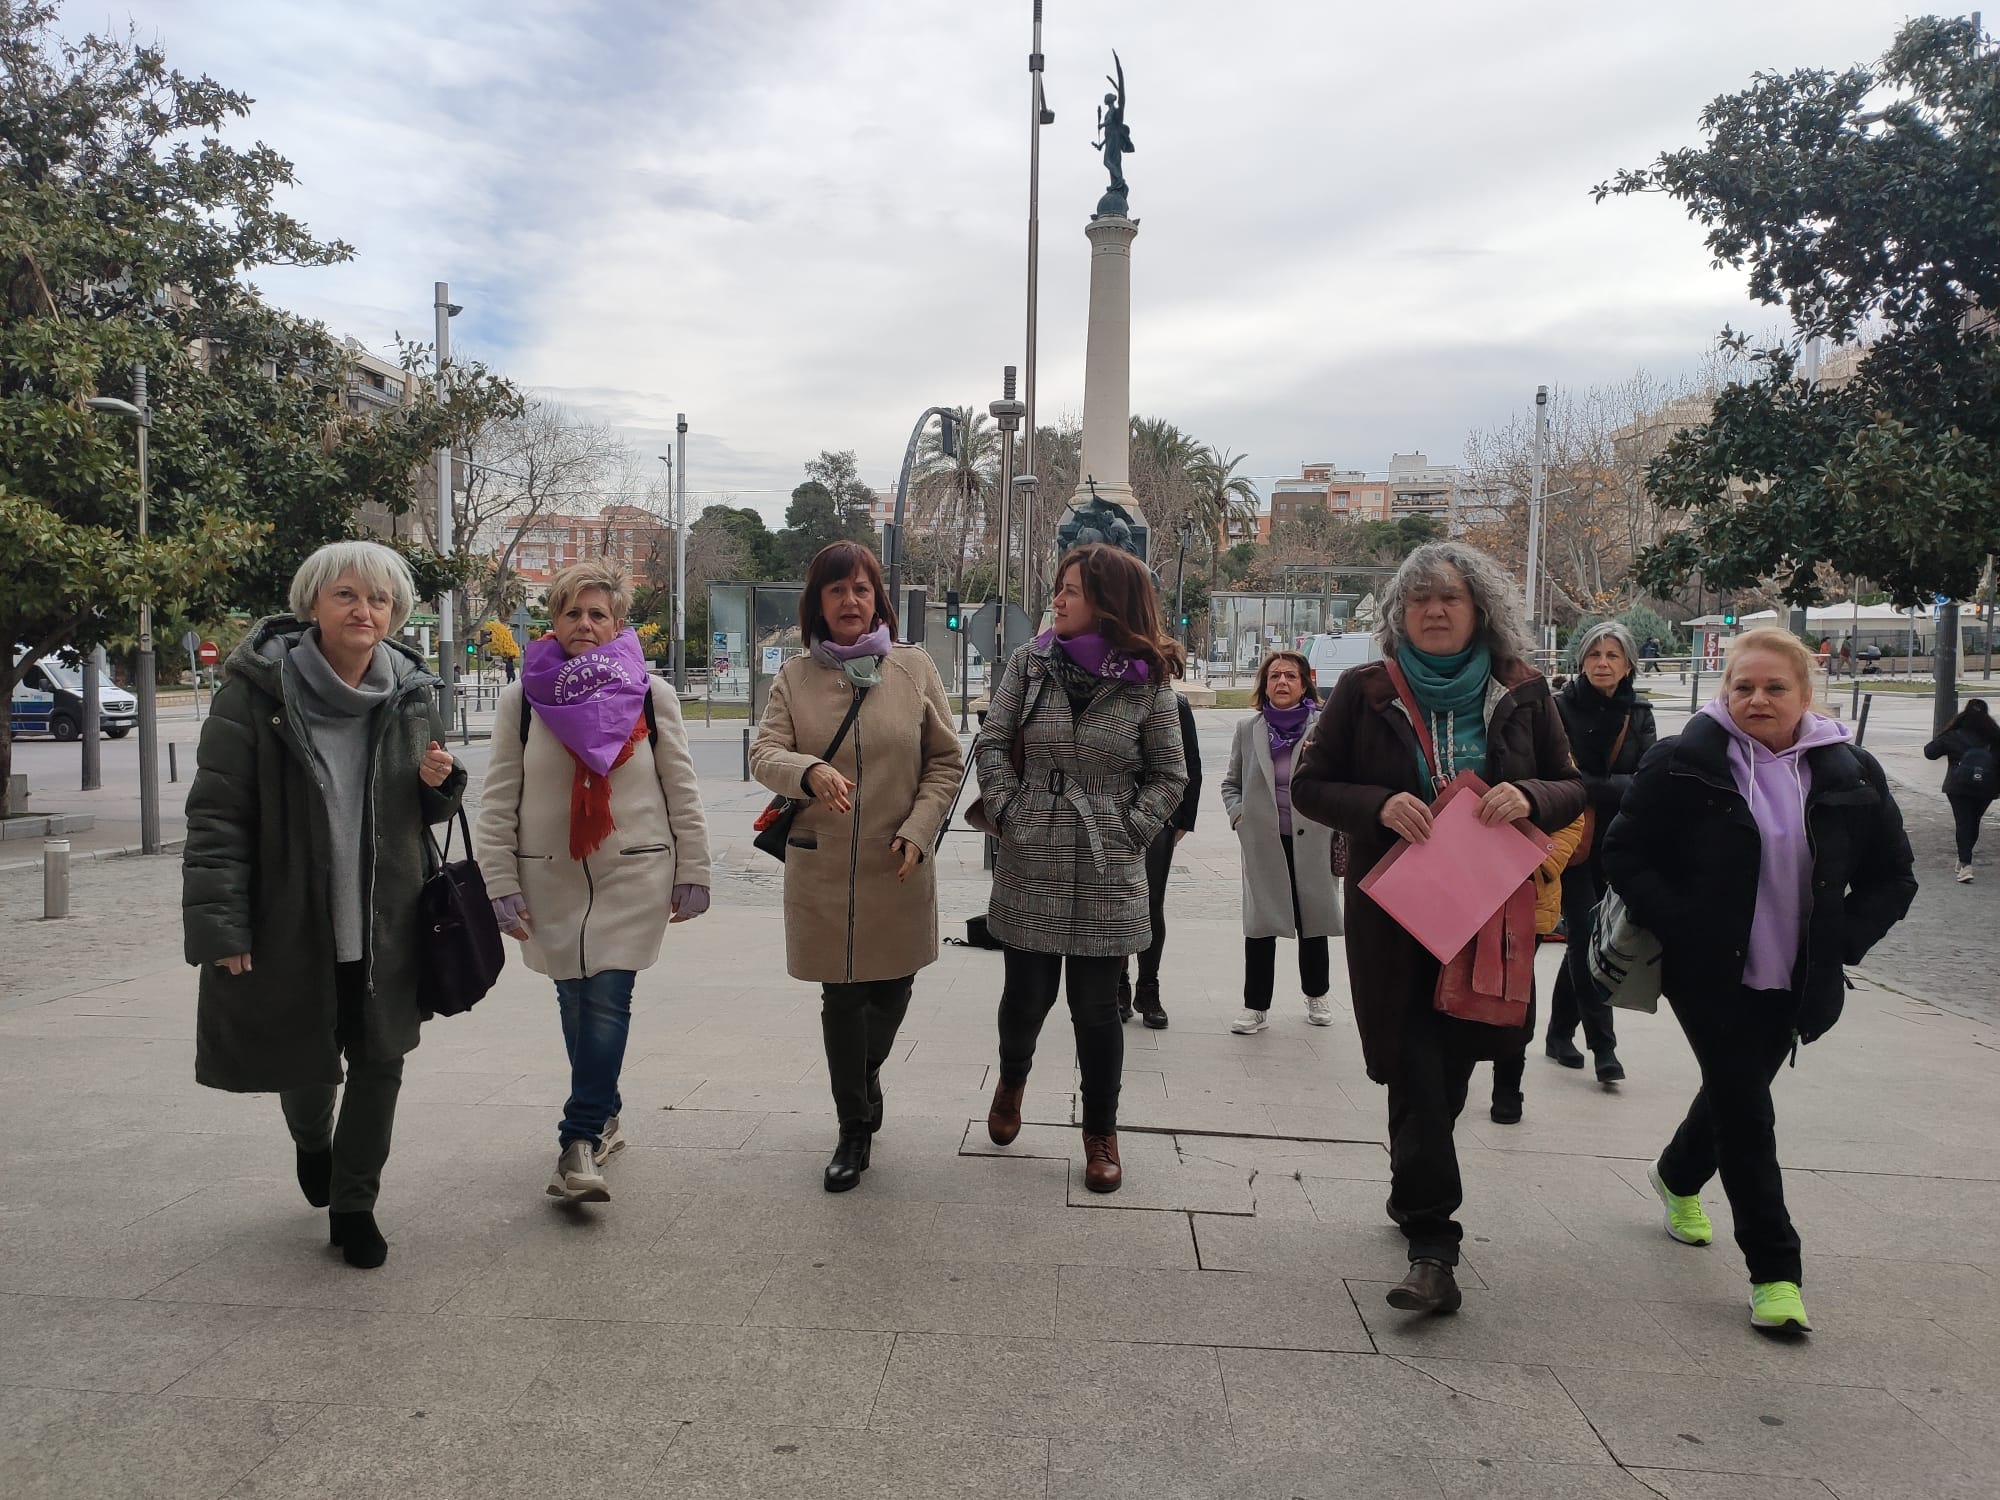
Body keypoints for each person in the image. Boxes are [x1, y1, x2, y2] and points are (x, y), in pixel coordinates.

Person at [1291, 542, 1583, 1314]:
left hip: (1487, 912)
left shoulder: (1521, 690)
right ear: (1399, 613)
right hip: (1394, 911)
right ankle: (1435, 1245)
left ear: (1479, 608)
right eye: (1418, 599)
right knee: (1412, 1058)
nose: (1434, 610)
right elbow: (1312, 784)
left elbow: (1572, 785)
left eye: (1448, 597)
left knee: (1447, 1071)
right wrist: (1378, 805)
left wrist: (1528, 796)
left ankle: (1411, 1183)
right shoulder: (1364, 690)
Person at [1604, 627, 1915, 1333]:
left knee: (1733, 1095)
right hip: (1708, 973)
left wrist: (1843, 942)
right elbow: (1624, 851)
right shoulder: (1685, 762)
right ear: (1725, 690)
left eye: (1775, 687)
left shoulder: (1852, 773)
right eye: (1743, 686)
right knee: (1748, 1112)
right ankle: (1775, 1271)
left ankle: (1678, 1175)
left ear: (1806, 694)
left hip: (1799, 977)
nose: (1758, 699)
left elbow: (1893, 877)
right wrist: (1682, 922)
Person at [183, 541, 464, 1270]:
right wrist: (221, 923)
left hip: (386, 920)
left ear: (395, 612)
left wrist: (441, 781)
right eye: (346, 595)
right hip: (292, 918)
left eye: (378, 600)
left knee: (382, 1061)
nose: (363, 611)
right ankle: (314, 1140)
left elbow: (419, 807)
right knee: (306, 1065)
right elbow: (218, 816)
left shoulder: (410, 690)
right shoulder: (254, 694)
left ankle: (355, 1204)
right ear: (312, 603)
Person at [476, 560, 711, 1204]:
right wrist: (497, 880)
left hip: (632, 870)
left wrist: (694, 870)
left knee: (606, 998)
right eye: (572, 612)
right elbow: (499, 797)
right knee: (574, 1002)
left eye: (597, 613)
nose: (584, 624)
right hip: (548, 876)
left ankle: (577, 1142)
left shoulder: (649, 694)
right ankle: (604, 1115)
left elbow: (681, 789)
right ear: (553, 620)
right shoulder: (523, 698)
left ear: (617, 625)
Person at [975, 543, 1188, 1194]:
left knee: (1097, 1008)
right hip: (1033, 844)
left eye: (1071, 590)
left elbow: (1170, 775)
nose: (1058, 600)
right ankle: (1013, 1079)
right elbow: (991, 740)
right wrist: (1012, 811)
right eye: (1058, 588)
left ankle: (1101, 1132)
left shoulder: (1148, 679)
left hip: (1107, 857)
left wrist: (1128, 829)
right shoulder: (1029, 663)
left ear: (1108, 602)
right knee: (1027, 996)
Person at [750, 542, 963, 1191]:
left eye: (861, 589)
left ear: (878, 600)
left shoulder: (913, 668)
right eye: (837, 590)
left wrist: (921, 829)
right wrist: (807, 770)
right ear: (818, 602)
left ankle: (863, 1077)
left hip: (896, 863)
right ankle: (853, 1128)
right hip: (824, 864)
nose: (849, 600)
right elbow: (763, 753)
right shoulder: (793, 676)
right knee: (841, 997)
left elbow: (946, 760)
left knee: (892, 988)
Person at [1541, 621, 1657, 1083]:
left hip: (1620, 839)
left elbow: (1649, 778)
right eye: (1594, 655)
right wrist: (1606, 787)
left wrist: (1593, 787)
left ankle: (1557, 1034)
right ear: (1580, 661)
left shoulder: (1640, 713)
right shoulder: (1558, 709)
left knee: (1590, 939)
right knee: (1587, 935)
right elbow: (1554, 775)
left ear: (1628, 663)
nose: (1602, 663)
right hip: (1570, 837)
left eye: (1612, 655)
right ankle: (1604, 1048)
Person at [1220, 650, 1342, 1034]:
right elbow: (1231, 783)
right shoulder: (1248, 729)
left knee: (1313, 920)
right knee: (1261, 924)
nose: (1282, 683)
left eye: (1291, 676)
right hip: (1263, 842)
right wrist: (1239, 816)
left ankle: (1317, 994)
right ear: (1264, 684)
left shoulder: (1324, 729)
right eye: (1274, 676)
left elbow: (1342, 778)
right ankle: (1255, 1006)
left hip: (1314, 841)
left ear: (1305, 683)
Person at [1117, 690, 1202, 1029]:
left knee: (1151, 903)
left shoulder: (1173, 703)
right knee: (1115, 902)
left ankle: (1147, 987)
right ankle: (1118, 984)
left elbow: (1190, 765)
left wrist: (1183, 821)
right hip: (1112, 815)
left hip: (1159, 817)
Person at [1925, 699, 2000, 882]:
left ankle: (1966, 865)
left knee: (1964, 822)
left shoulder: (1954, 735)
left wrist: (1945, 733)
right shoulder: (1995, 736)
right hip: (1987, 787)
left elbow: (1930, 752)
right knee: (1973, 822)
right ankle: (1964, 859)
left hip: (1958, 786)